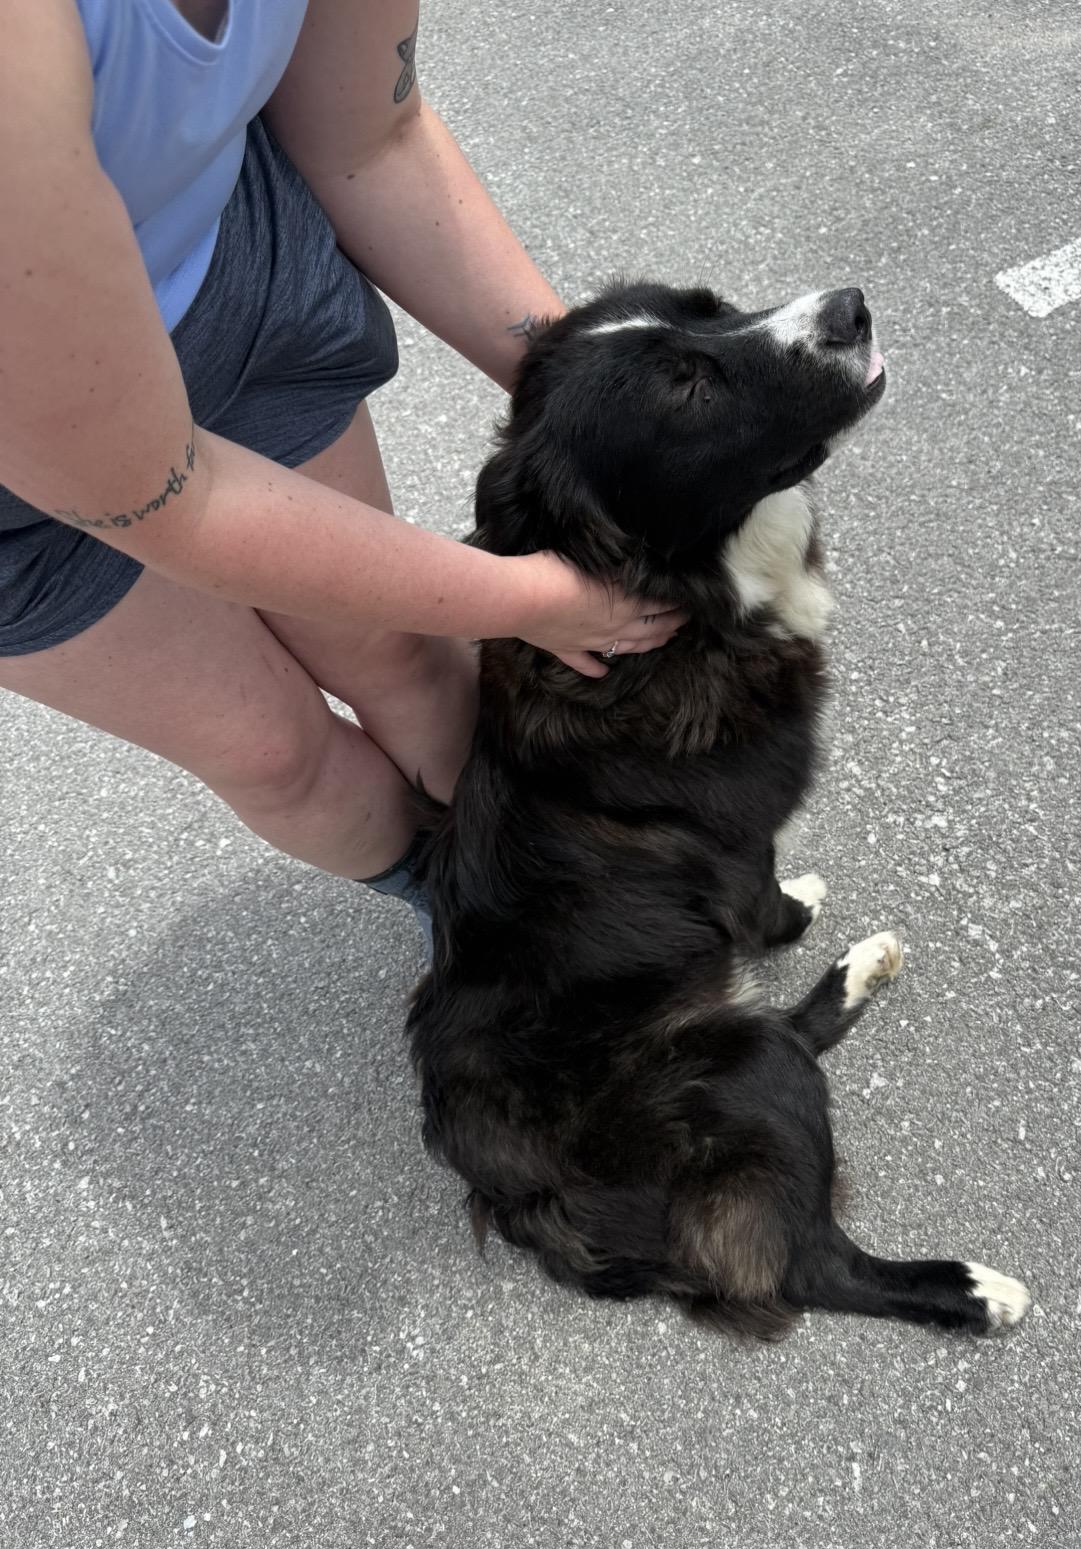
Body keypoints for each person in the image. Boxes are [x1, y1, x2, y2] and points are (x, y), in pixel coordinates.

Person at [0, 0, 684, 948]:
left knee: (402, 656)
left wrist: (611, 411)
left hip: (223, 284)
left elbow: (376, 141)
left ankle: (546, 878)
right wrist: (529, 596)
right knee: (273, 749)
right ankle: (474, 915)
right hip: (23, 484)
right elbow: (177, 505)